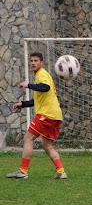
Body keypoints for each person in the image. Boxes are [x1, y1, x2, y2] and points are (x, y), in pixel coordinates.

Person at [7, 52, 67, 180]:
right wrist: (22, 104)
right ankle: (61, 171)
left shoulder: (42, 74)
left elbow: (45, 87)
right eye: (32, 61)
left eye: (36, 60)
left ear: (42, 62)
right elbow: (38, 100)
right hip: (55, 115)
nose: (33, 63)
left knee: (27, 139)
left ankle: (23, 171)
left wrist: (28, 85)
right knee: (47, 145)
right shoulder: (41, 76)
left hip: (47, 114)